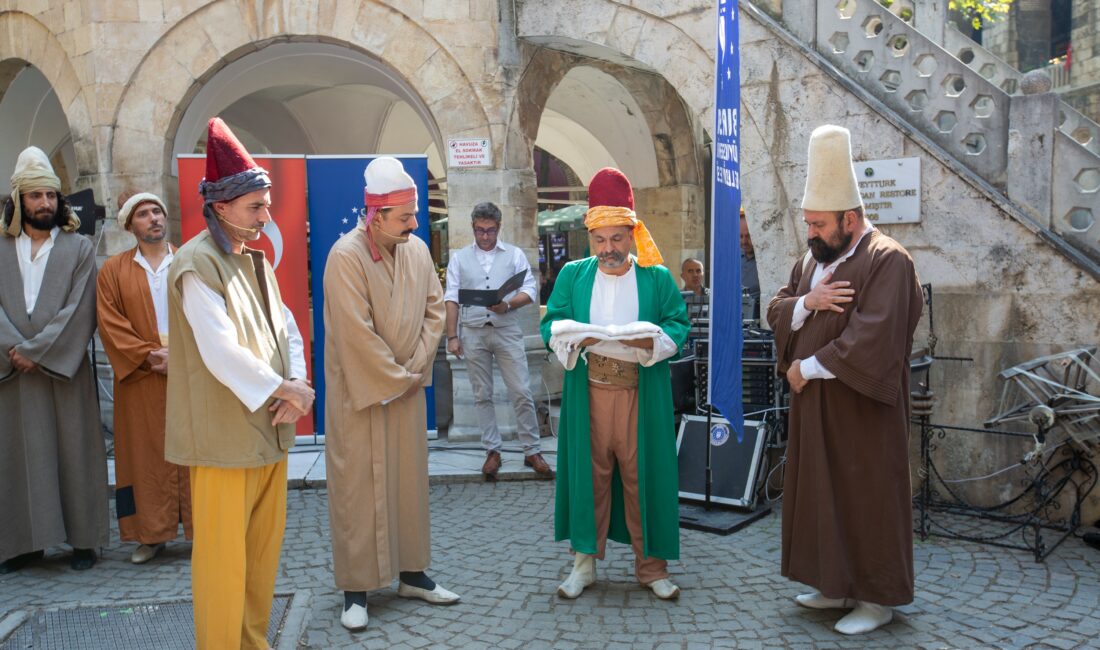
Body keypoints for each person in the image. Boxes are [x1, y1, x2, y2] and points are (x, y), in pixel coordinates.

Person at [766, 125, 923, 635]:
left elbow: (873, 337)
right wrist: (806, 302)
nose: (810, 233)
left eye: (818, 224)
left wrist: (803, 368)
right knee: (821, 493)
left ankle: (876, 600)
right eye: (808, 223)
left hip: (862, 411)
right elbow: (776, 308)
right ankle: (833, 585)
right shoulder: (812, 261)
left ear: (849, 220)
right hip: (815, 407)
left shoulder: (888, 260)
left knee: (866, 495)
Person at [166, 117, 313, 650]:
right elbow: (221, 351)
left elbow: (286, 325)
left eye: (267, 205)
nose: (266, 216)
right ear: (222, 207)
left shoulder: (256, 261)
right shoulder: (194, 264)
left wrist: (296, 382)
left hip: (268, 430)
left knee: (260, 555)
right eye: (256, 207)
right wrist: (286, 391)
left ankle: (254, 643)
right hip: (223, 440)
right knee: (223, 561)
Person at [323, 156, 458, 632]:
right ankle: (355, 590)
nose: (414, 224)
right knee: (357, 491)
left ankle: (412, 574)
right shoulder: (345, 256)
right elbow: (354, 333)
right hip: (360, 397)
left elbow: (434, 312)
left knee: (408, 485)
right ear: (376, 216)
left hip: (406, 391)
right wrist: (399, 377)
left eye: (414, 214)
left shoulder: (418, 250)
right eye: (405, 217)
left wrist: (414, 369)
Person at [542, 167, 690, 601]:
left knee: (643, 478)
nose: (608, 249)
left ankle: (652, 569)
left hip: (640, 395)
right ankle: (583, 565)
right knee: (589, 478)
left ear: (632, 233)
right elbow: (552, 323)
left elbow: (677, 324)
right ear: (590, 237)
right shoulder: (573, 275)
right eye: (600, 240)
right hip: (587, 394)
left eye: (617, 239)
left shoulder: (656, 277)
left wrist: (650, 341)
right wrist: (574, 337)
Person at [0, 146, 108, 573]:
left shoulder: (79, 248)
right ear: (19, 200)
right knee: (19, 455)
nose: (44, 203)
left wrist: (35, 351)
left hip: (64, 370)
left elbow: (81, 308)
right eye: (35, 196)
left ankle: (83, 541)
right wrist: (14, 349)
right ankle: (25, 544)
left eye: (50, 195)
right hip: (12, 371)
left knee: (74, 451)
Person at [98, 191, 193, 565]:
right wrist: (148, 355)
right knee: (143, 455)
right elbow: (110, 323)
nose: (153, 218)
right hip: (140, 374)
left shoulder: (188, 261)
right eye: (143, 214)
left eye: (157, 211)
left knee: (193, 450)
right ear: (129, 225)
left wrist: (182, 356)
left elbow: (211, 313)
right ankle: (150, 534)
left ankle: (203, 529)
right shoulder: (113, 270)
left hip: (189, 371)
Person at [444, 201, 551, 479]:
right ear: (473, 227)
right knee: (482, 394)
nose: (485, 236)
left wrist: (508, 305)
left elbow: (530, 289)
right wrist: (452, 336)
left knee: (521, 391)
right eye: (480, 230)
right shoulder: (460, 258)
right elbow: (451, 298)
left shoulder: (514, 254)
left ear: (498, 227)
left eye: (490, 230)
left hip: (506, 329)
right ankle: (492, 450)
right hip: (473, 330)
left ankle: (532, 450)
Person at [740, 209, 761, 321]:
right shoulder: (733, 258)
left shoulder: (764, 261)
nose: (744, 241)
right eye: (741, 236)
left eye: (748, 236)